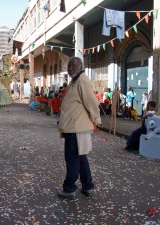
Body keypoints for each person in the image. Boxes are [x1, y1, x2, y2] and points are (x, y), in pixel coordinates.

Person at [58, 57, 102, 200]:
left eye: (73, 66)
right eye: (69, 66)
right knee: (81, 158)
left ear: (80, 66)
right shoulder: (76, 80)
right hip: (75, 127)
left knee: (72, 159)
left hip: (76, 129)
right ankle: (88, 186)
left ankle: (69, 188)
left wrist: (97, 120)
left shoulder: (82, 81)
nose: (70, 68)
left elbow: (91, 102)